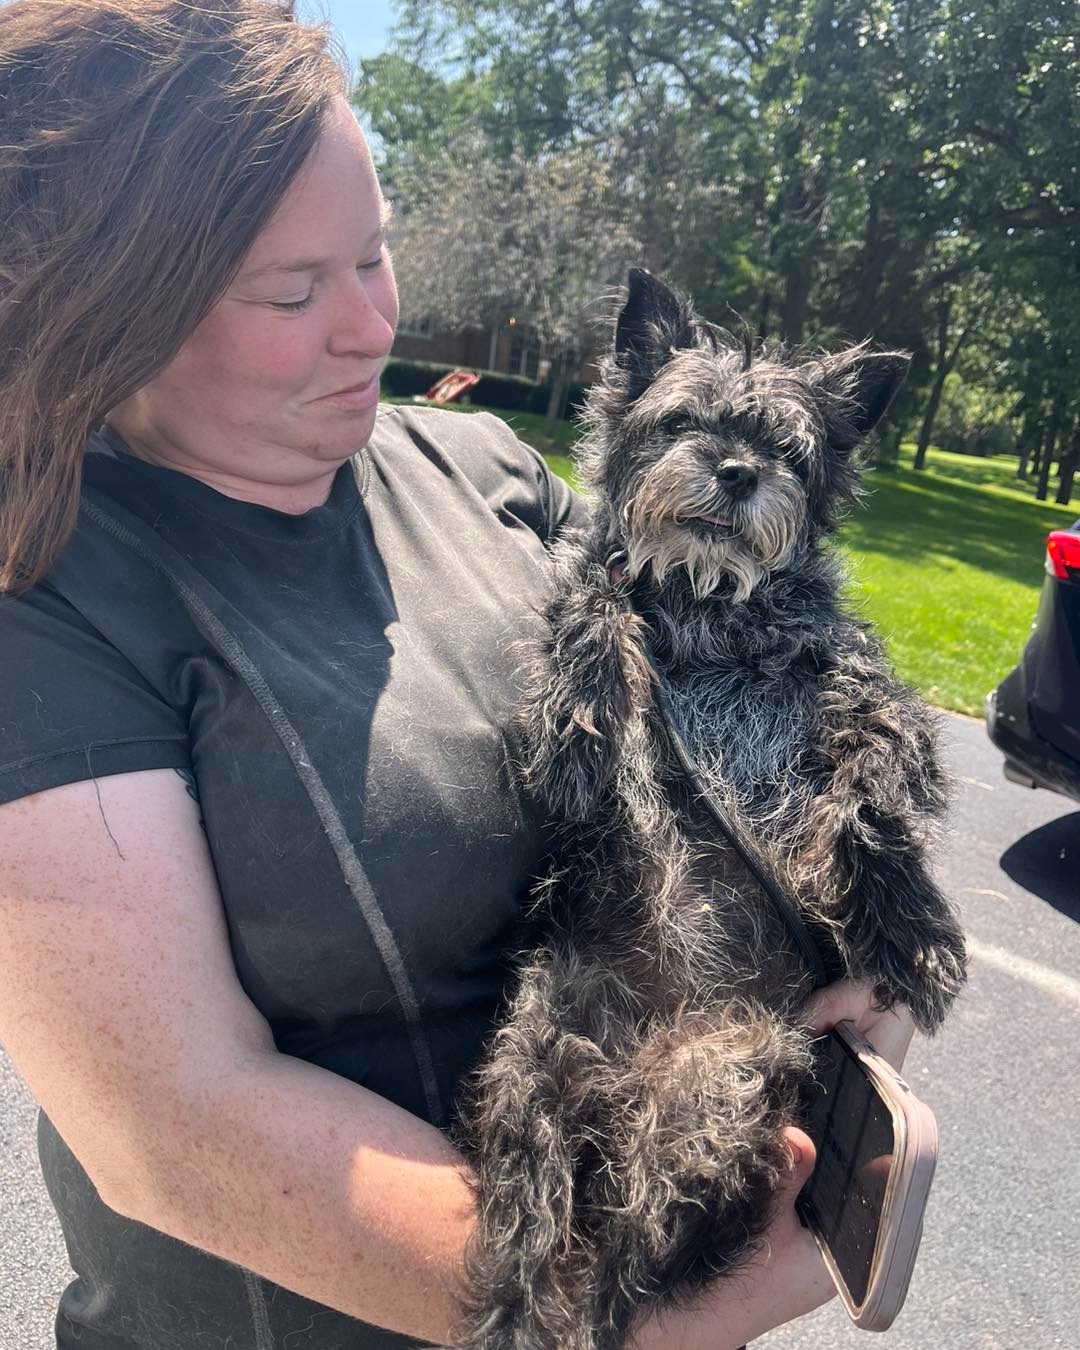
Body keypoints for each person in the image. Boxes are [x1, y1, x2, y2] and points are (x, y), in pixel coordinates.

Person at [0, 3, 916, 1347]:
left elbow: (757, 705)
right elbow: (174, 1127)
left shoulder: (478, 470)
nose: (376, 327)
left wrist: (863, 946)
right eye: (292, 290)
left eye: (376, 254)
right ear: (107, 307)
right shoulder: (49, 596)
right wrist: (628, 1316)